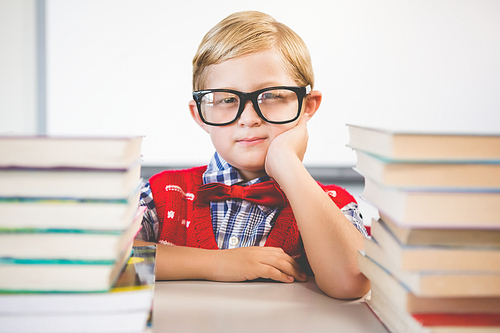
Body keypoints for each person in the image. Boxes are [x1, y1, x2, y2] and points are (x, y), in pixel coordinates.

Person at [134, 10, 370, 299]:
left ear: (307, 106)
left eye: (271, 95)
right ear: (201, 114)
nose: (248, 118)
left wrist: (286, 162)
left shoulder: (332, 206)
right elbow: (105, 259)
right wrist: (216, 264)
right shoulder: (163, 193)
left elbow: (350, 282)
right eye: (227, 99)